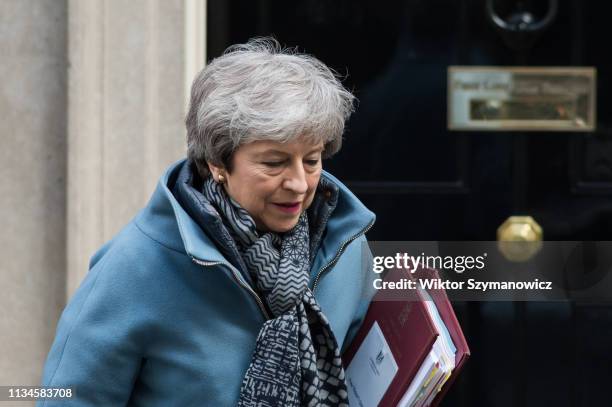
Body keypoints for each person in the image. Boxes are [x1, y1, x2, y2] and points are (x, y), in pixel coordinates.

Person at [38, 37, 376, 407]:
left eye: (311, 160)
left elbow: (365, 377)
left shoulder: (345, 249)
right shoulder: (132, 269)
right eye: (274, 163)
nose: (298, 183)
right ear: (217, 163)